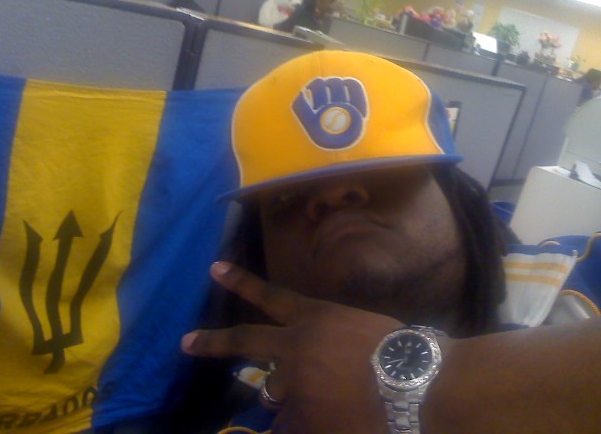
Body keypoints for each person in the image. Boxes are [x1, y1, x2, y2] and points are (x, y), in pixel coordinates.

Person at [179, 51, 601, 433]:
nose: (333, 194)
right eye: (288, 196)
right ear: (263, 259)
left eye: (382, 166)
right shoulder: (265, 416)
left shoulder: (586, 272)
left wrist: (427, 387)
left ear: (455, 197)